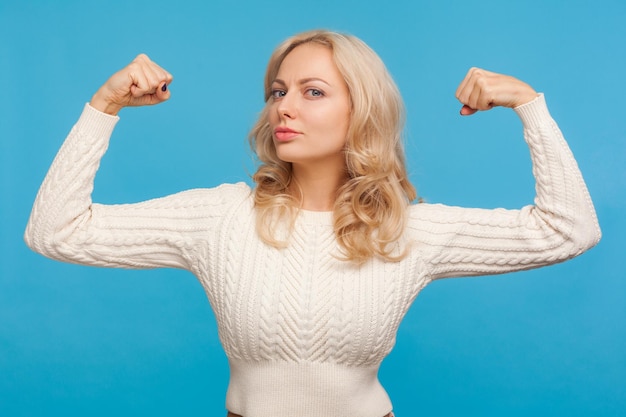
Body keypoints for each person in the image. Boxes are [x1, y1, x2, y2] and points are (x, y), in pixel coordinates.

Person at [24, 30, 601, 417]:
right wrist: (103, 107)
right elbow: (56, 231)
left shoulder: (407, 230)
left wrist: (531, 106)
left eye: (313, 91)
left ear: (361, 112)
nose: (284, 107)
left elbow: (567, 229)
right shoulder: (219, 216)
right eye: (278, 91)